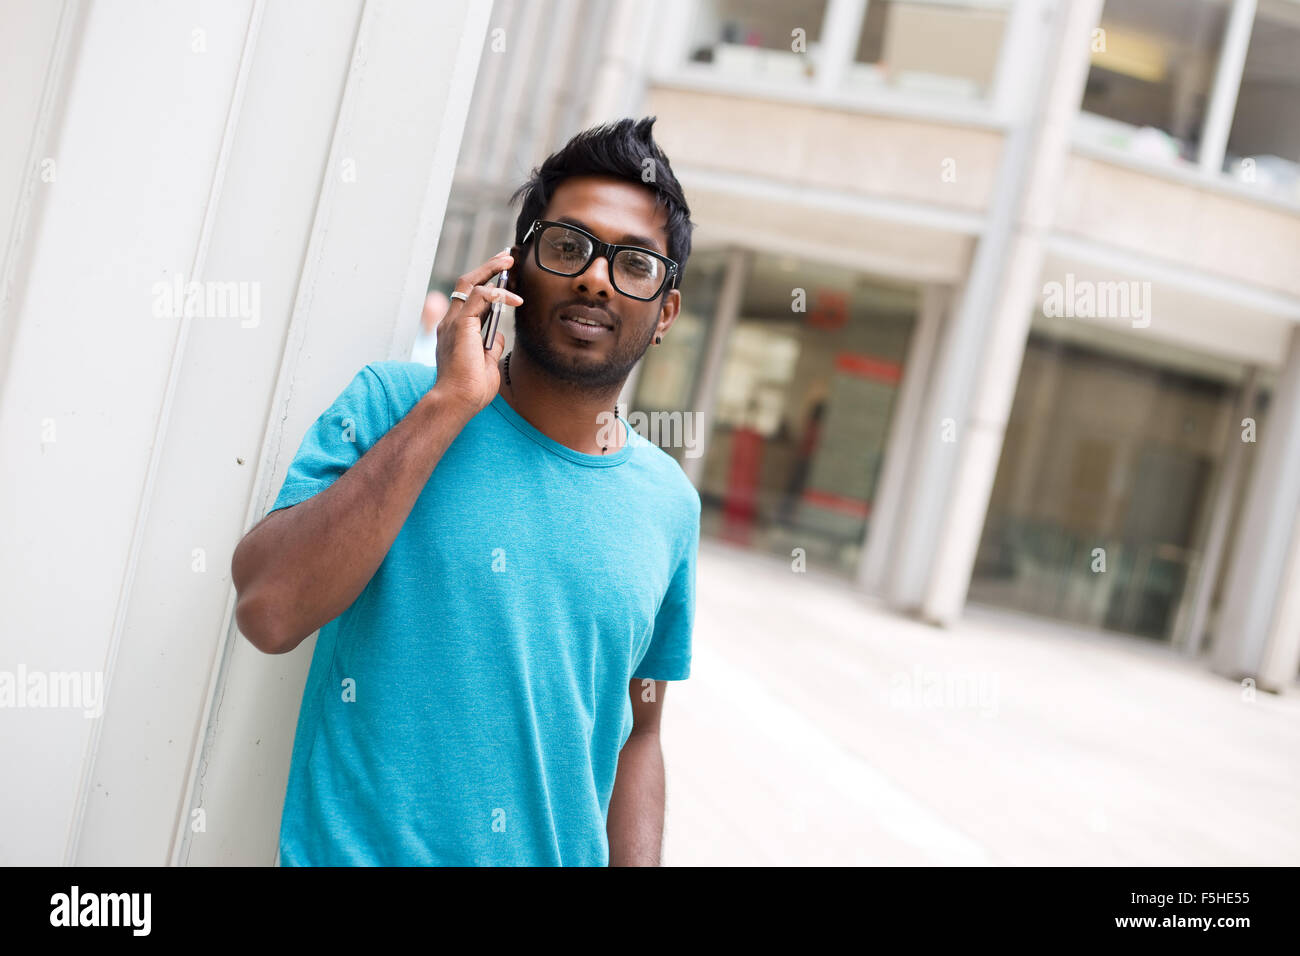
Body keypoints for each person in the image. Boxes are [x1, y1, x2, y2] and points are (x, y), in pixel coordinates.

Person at [231, 117, 699, 867]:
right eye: (568, 246)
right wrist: (448, 406)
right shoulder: (397, 405)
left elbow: (642, 729)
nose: (593, 276)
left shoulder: (669, 504)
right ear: (513, 273)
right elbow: (269, 610)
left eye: (634, 263)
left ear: (666, 310)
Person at [410, 289, 448, 366]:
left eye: (433, 316)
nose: (429, 319)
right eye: (427, 313)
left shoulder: (445, 342)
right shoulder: (412, 332)